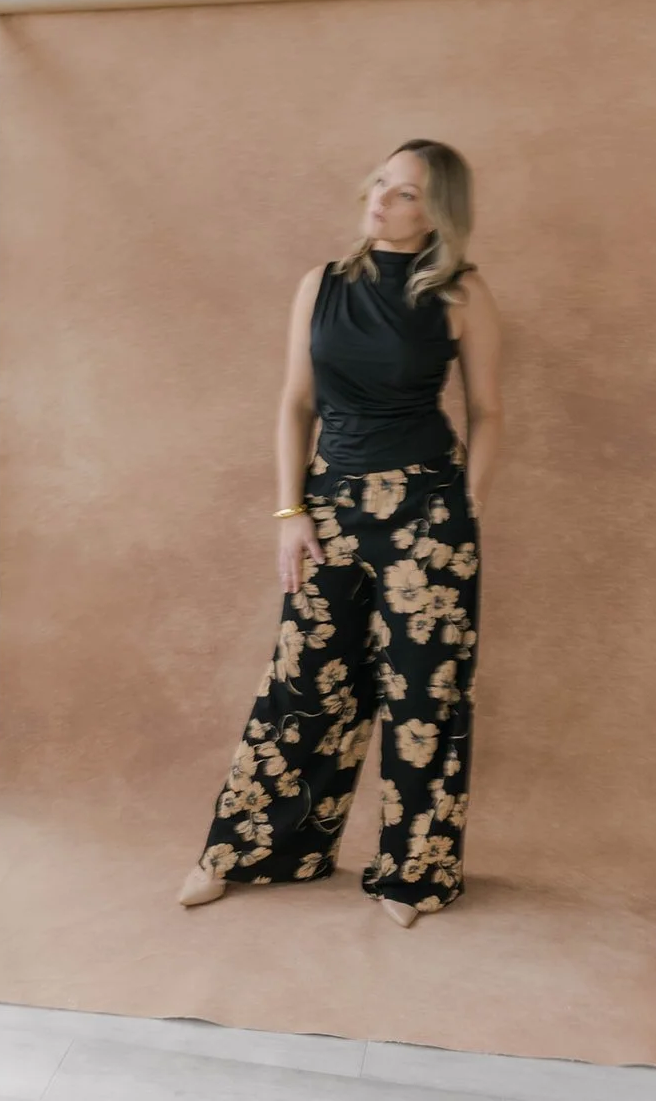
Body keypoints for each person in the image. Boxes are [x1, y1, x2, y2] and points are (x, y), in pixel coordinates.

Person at [178, 140, 502, 928]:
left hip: (428, 512)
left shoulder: (461, 294)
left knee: (423, 695)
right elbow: (296, 404)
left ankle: (412, 875)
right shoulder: (319, 285)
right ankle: (254, 850)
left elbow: (489, 414)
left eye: (406, 194)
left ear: (437, 214)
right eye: (381, 184)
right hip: (329, 508)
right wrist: (289, 514)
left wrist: (464, 511)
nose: (381, 200)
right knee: (306, 685)